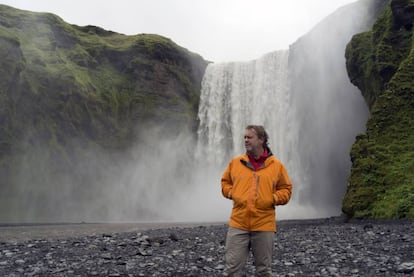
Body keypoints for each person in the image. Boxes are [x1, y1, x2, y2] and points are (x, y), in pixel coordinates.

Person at [221, 125, 293, 276]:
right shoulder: (236, 162)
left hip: (264, 224)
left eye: (249, 137)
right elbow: (225, 182)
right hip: (238, 223)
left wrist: (273, 198)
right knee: (232, 270)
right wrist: (233, 193)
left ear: (262, 140)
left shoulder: (276, 166)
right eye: (245, 137)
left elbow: (286, 189)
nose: (246, 140)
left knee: (264, 271)